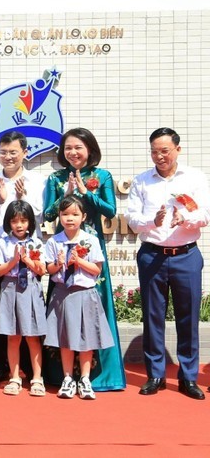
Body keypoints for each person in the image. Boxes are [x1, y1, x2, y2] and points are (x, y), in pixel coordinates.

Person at [127, 127, 209, 400]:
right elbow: (133, 220)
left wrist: (185, 220)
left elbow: (205, 213)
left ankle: (188, 377)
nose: (159, 156)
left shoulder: (195, 178)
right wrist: (154, 221)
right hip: (152, 255)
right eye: (154, 151)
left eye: (164, 151)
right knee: (152, 317)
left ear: (177, 149)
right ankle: (155, 375)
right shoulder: (141, 181)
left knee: (189, 318)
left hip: (186, 255)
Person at [42, 128, 125, 391]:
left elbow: (110, 210)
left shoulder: (102, 176)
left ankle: (97, 376)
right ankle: (62, 375)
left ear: (89, 148)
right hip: (62, 251)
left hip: (90, 251)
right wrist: (66, 193)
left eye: (78, 147)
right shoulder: (55, 177)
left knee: (95, 308)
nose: (73, 152)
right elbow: (47, 214)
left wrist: (86, 193)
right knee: (62, 306)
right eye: (68, 148)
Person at [0, 131, 44, 383]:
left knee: (29, 303)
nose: (8, 157)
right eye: (3, 152)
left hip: (29, 246)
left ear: (24, 152)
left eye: (13, 152)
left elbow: (42, 214)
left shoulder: (35, 180)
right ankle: (1, 364)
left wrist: (21, 198)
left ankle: (28, 365)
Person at [43, 195, 114, 400]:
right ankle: (67, 378)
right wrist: (58, 263)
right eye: (65, 214)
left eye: (74, 214)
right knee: (65, 338)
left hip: (85, 294)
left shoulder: (91, 240)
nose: (69, 218)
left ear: (83, 216)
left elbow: (97, 270)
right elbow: (49, 270)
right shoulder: (54, 241)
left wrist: (79, 261)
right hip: (62, 294)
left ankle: (84, 379)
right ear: (59, 217)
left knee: (87, 338)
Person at [0, 201, 47, 397]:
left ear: (30, 222)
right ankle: (14, 377)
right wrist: (14, 260)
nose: (19, 225)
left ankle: (37, 378)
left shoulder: (37, 242)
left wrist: (27, 260)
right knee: (13, 337)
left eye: (23, 221)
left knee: (32, 337)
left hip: (30, 289)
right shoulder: (2, 243)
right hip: (10, 289)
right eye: (14, 221)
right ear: (8, 223)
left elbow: (42, 270)